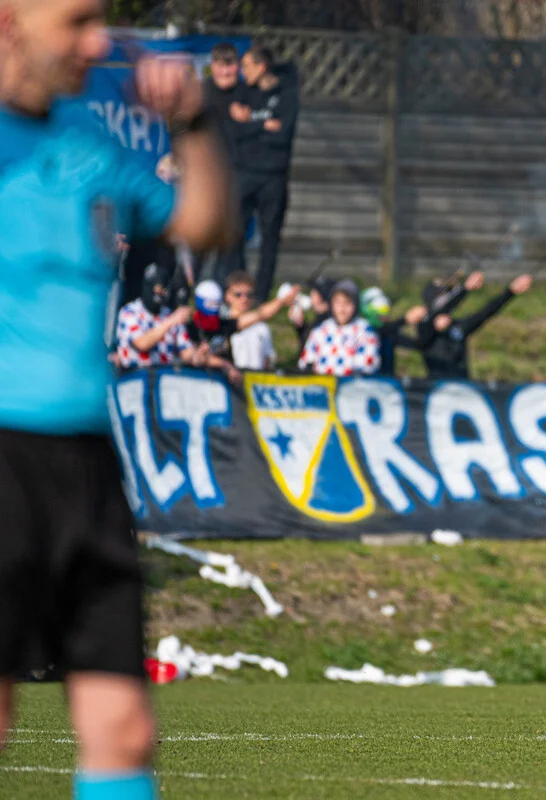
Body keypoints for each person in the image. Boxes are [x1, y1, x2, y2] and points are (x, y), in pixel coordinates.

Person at [0, 3, 235, 799]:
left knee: (125, 730)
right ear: (9, 23)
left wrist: (193, 122)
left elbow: (205, 223)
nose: (98, 42)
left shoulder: (90, 142)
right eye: (77, 21)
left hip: (90, 462)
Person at [230, 45, 298, 303]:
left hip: (273, 177)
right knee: (234, 233)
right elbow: (236, 131)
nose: (242, 71)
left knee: (269, 237)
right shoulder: (244, 92)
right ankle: (239, 290)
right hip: (245, 173)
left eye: (246, 66)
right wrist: (262, 125)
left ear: (261, 67)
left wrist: (250, 123)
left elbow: (282, 135)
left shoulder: (287, 95)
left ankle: (260, 294)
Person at [412, 273, 532, 380]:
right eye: (444, 296)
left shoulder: (458, 327)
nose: (448, 297)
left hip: (463, 386)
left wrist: (510, 292)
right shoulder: (424, 326)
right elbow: (439, 310)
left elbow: (485, 313)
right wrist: (465, 288)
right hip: (437, 387)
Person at [202, 41, 249, 285]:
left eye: (229, 65)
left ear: (238, 67)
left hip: (238, 173)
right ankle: (188, 288)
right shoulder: (202, 92)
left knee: (232, 239)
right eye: (220, 65)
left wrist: (247, 120)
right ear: (212, 66)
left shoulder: (247, 93)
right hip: (206, 172)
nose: (224, 71)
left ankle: (231, 289)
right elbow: (180, 126)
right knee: (200, 234)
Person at [187, 274, 296, 372]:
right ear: (227, 296)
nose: (244, 299)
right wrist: (226, 366)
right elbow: (189, 356)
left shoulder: (228, 325)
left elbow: (261, 314)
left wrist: (282, 300)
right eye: (238, 294)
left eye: (249, 294)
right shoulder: (192, 328)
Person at [115, 263, 203, 369]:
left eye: (164, 290)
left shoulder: (170, 314)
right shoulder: (129, 312)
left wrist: (198, 354)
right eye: (157, 289)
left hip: (164, 375)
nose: (161, 293)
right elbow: (141, 344)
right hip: (135, 374)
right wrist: (170, 322)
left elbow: (186, 352)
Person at [298, 280, 381, 377]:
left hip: (352, 384)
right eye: (338, 303)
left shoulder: (365, 332)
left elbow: (366, 368)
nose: (342, 309)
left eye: (347, 303)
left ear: (356, 304)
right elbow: (305, 364)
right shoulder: (320, 331)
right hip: (320, 384)